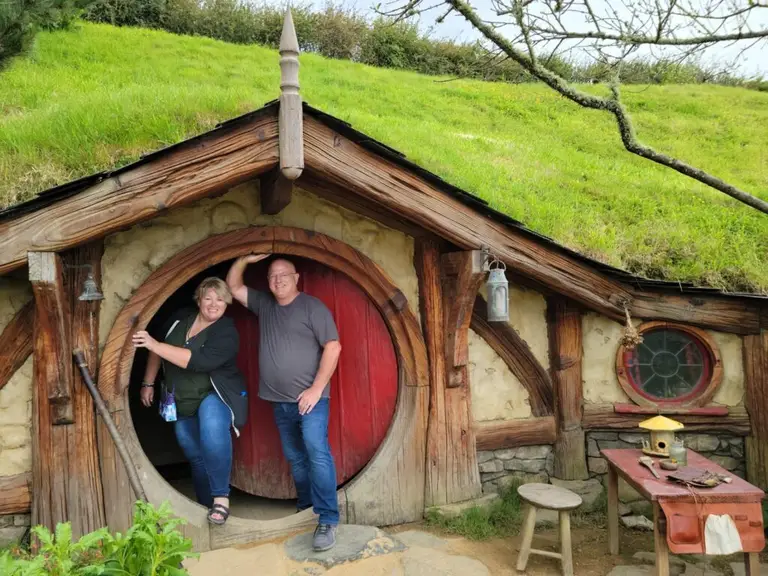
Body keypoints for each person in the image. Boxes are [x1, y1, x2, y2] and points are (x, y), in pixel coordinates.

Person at [226, 254, 342, 552]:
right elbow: (233, 285)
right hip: (279, 402)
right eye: (272, 276)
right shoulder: (264, 305)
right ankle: (306, 507)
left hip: (311, 400)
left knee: (316, 453)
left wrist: (316, 389)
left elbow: (333, 346)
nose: (278, 280)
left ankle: (328, 519)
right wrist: (245, 259)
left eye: (283, 275)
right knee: (296, 457)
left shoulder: (312, 307)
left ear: (296, 277)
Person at [133, 277, 247, 526]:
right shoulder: (179, 320)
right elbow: (158, 350)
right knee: (193, 451)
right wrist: (148, 382)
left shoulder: (226, 331)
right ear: (199, 299)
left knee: (212, 430)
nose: (213, 304)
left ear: (227, 303)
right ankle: (204, 504)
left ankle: (221, 499)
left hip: (213, 394)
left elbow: (197, 361)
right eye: (208, 298)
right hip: (180, 398)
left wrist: (154, 343)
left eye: (220, 299)